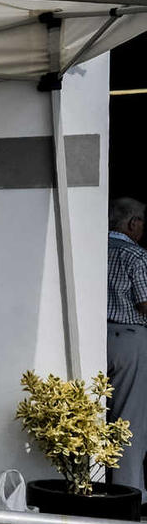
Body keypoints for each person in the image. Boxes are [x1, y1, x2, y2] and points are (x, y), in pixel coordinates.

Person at [106, 197, 147, 497]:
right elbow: (144, 303)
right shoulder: (136, 256)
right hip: (130, 337)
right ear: (133, 223)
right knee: (128, 420)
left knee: (98, 414)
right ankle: (129, 493)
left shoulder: (95, 249)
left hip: (98, 335)